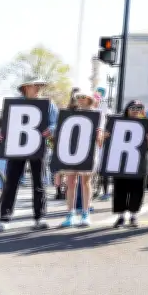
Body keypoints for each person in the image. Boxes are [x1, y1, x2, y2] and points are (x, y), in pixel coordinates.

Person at [0, 77, 58, 233]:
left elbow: (55, 122)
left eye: (40, 86)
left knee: (39, 182)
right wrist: (2, 134)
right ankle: (4, 218)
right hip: (16, 147)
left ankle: (40, 217)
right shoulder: (14, 104)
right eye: (36, 85)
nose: (39, 88)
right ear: (26, 87)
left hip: (38, 146)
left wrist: (51, 129)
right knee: (11, 182)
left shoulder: (48, 104)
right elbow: (6, 124)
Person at [60, 91, 103, 228]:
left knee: (85, 182)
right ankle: (70, 214)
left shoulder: (97, 114)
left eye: (83, 97)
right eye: (78, 97)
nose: (80, 99)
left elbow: (100, 141)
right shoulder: (71, 113)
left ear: (89, 98)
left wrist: (99, 135)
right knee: (71, 182)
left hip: (88, 152)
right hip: (71, 152)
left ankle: (85, 213)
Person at [112, 100, 148, 228]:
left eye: (139, 108)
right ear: (127, 109)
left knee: (137, 190)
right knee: (120, 189)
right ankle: (120, 217)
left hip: (140, 162)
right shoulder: (119, 123)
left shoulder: (146, 124)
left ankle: (133, 216)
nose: (136, 110)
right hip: (121, 162)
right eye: (133, 108)